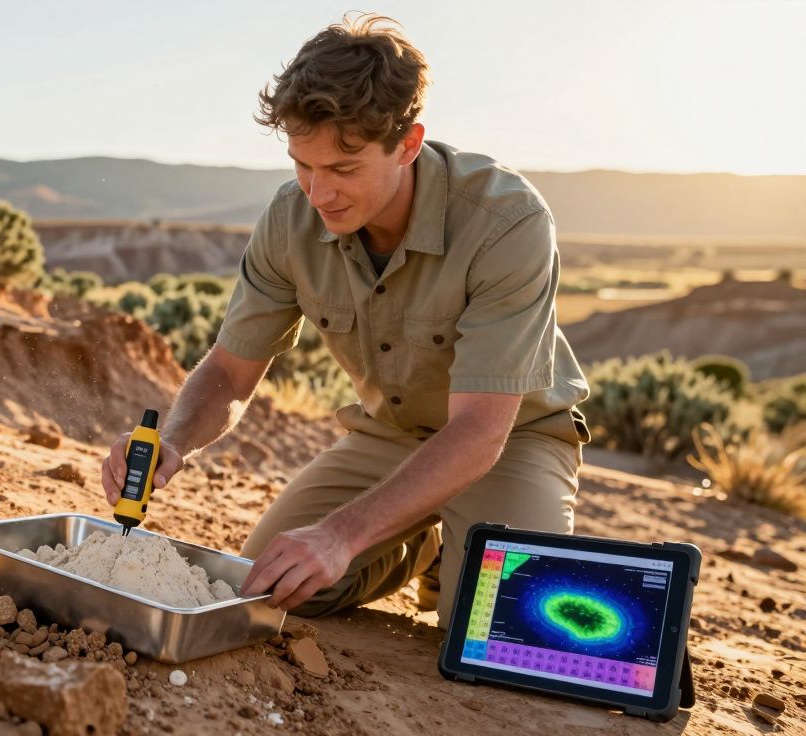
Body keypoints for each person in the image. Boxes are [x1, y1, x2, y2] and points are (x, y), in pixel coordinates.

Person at [100, 14, 590, 626]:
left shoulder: (507, 220)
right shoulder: (290, 219)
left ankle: (450, 557)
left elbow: (481, 431)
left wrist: (342, 534)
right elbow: (229, 371)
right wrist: (173, 440)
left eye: (343, 170)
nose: (317, 193)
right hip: (390, 434)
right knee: (273, 586)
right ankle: (423, 542)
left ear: (408, 144)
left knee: (504, 631)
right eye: (302, 165)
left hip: (509, 438)